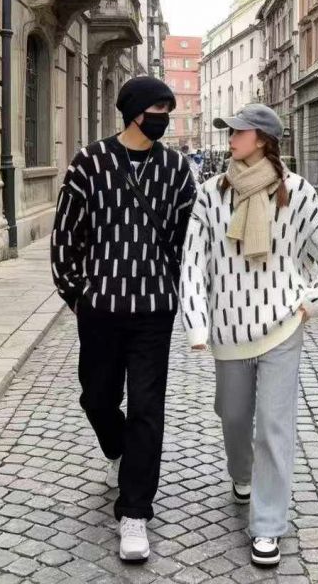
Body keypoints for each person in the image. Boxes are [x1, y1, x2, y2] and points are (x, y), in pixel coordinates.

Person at [179, 103, 318, 568]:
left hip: (281, 327)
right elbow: (193, 261)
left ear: (262, 140)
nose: (231, 138)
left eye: (239, 132)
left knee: (274, 426)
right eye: (231, 131)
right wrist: (197, 322)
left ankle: (268, 525)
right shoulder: (211, 194)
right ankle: (241, 473)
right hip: (229, 328)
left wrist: (311, 301)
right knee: (233, 415)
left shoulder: (297, 193)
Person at [51, 76, 196, 563]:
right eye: (158, 109)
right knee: (97, 397)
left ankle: (134, 512)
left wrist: (183, 291)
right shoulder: (89, 163)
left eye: (168, 110)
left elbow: (190, 237)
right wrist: (76, 295)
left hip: (154, 310)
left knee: (147, 409)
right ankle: (117, 449)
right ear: (134, 111)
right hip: (100, 308)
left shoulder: (176, 169)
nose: (164, 117)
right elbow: (65, 235)